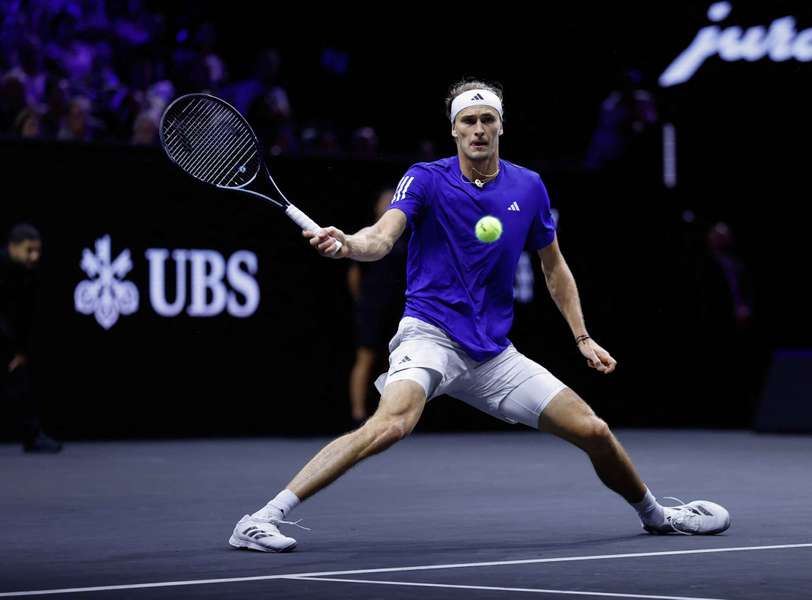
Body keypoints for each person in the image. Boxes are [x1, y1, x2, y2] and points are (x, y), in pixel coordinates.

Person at [229, 79, 730, 552]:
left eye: (487, 119)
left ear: (500, 127)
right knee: (391, 425)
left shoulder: (529, 187)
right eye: (468, 120)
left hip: (493, 353)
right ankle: (262, 518)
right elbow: (381, 238)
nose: (478, 129)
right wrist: (347, 245)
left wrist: (581, 337)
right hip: (430, 334)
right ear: (454, 129)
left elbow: (554, 267)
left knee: (594, 431)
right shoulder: (424, 179)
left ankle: (656, 514)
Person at [347, 189, 407, 425]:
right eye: (385, 201)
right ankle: (358, 415)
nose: (389, 205)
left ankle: (390, 415)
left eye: (394, 201)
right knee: (366, 357)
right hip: (372, 307)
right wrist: (364, 303)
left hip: (400, 307)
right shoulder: (368, 237)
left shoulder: (408, 238)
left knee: (397, 361)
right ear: (376, 207)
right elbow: (354, 275)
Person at [1, 224, 62, 453]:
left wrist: (20, 351)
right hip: (3, 339)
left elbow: (25, 316)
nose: (34, 256)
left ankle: (33, 437)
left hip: (8, 340)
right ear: (13, 247)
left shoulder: (29, 273)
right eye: (29, 250)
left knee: (20, 380)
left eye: (37, 251)